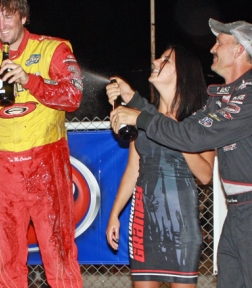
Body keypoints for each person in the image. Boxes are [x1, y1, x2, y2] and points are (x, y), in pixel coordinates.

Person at [108, 19, 252, 287]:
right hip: (237, 211)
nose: (212, 48)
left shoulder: (247, 95)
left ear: (239, 50)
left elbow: (190, 139)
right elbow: (168, 133)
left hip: (216, 214)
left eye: (220, 42)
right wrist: (133, 100)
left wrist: (137, 114)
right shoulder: (221, 99)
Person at [0, 0, 84, 287]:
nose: (2, 25)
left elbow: (73, 97)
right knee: (5, 259)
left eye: (8, 16)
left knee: (59, 253)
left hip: (47, 163)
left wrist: (29, 80)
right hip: (4, 172)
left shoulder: (54, 49)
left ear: (23, 15)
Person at [105, 45, 215, 287]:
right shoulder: (142, 119)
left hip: (182, 226)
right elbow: (133, 171)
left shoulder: (198, 120)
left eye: (166, 60)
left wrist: (177, 133)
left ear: (182, 73)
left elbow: (206, 175)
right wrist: (114, 214)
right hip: (144, 223)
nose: (156, 61)